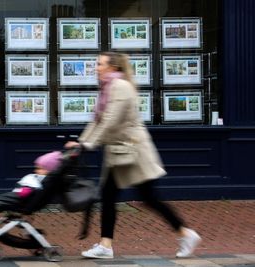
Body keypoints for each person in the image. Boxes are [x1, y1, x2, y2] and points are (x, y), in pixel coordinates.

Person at [65, 52, 202, 259]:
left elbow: (110, 120)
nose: (96, 67)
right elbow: (97, 120)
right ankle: (105, 246)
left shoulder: (121, 87)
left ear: (113, 67)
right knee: (110, 196)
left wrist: (88, 145)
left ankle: (186, 233)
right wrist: (81, 142)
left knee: (148, 198)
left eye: (99, 64)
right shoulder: (107, 88)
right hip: (118, 152)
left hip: (134, 152)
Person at [0, 151, 63, 236]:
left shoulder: (44, 181)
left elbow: (30, 191)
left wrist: (25, 191)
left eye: (40, 168)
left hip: (21, 200)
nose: (36, 170)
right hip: (21, 199)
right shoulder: (42, 179)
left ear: (50, 171)